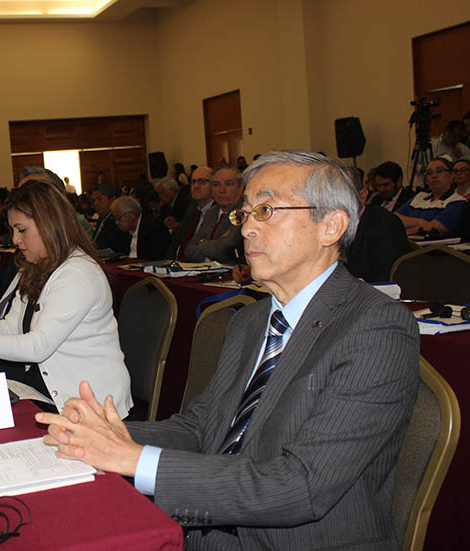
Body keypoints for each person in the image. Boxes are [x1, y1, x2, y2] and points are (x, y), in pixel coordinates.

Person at [37, 151, 419, 550]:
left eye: (266, 210)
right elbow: (203, 429)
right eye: (246, 213)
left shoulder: (376, 328)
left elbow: (302, 485)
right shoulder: (249, 321)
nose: (247, 228)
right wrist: (107, 434)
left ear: (331, 226)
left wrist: (131, 459)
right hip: (209, 527)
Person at [0, 180, 133, 417]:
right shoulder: (36, 266)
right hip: (54, 393)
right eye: (13, 230)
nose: (15, 239)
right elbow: (10, 326)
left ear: (49, 225)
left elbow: (37, 347)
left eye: (21, 230)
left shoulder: (77, 273)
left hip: (92, 405)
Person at [345, 166, 409, 282]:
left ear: (363, 195)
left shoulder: (385, 226)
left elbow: (385, 281)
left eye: (343, 193)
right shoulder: (324, 223)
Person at [181, 163, 244, 264]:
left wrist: (202, 244)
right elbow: (188, 249)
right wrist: (214, 246)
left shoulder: (243, 212)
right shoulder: (211, 213)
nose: (222, 190)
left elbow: (227, 248)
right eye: (216, 185)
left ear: (240, 188)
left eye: (228, 184)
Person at [396, 157, 466, 236]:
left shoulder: (457, 201)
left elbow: (432, 228)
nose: (434, 176)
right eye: (429, 173)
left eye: (439, 171)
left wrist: (401, 232)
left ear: (452, 175)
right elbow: (394, 219)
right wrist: (420, 222)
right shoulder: (419, 196)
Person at [167, 165, 214, 259]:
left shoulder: (219, 214)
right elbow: (175, 246)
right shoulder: (191, 214)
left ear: (214, 185)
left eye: (202, 182)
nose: (196, 186)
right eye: (193, 182)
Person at [110, 195, 170, 261]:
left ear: (131, 215)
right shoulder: (123, 230)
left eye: (118, 218)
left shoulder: (153, 226)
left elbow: (156, 257)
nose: (116, 222)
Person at [91, 182, 131, 255]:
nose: (96, 204)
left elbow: (114, 247)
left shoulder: (119, 219)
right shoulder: (101, 218)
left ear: (113, 199)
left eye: (99, 199)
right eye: (94, 200)